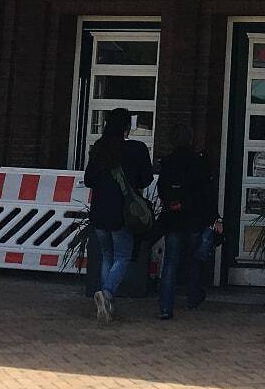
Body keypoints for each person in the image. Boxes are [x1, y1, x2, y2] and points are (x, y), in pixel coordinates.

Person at [83, 106, 152, 324]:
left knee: (107, 256)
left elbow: (89, 180)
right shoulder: (136, 149)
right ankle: (107, 294)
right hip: (123, 214)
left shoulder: (99, 149)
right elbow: (146, 179)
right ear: (126, 127)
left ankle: (107, 305)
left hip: (100, 212)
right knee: (122, 257)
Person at [153, 121, 218, 321]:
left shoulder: (168, 162)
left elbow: (162, 190)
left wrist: (173, 203)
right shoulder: (199, 161)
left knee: (170, 264)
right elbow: (207, 192)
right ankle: (192, 298)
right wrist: (214, 217)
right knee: (193, 260)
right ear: (190, 139)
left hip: (173, 219)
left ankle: (165, 307)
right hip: (194, 219)